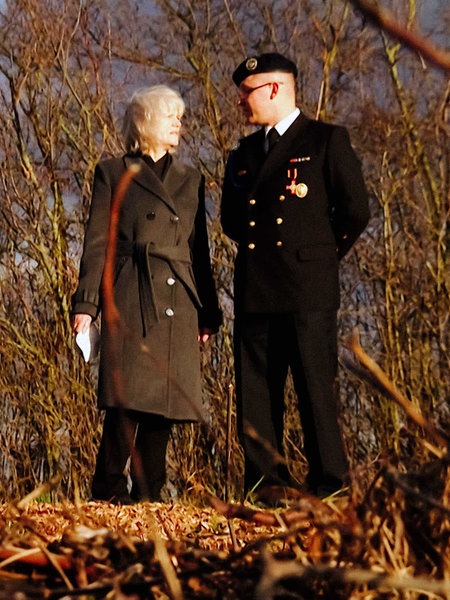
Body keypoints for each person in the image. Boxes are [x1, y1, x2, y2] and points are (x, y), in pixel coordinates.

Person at [221, 53, 370, 499]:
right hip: (255, 287)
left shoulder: (325, 140)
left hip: (308, 289)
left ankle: (331, 484)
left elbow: (356, 210)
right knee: (256, 393)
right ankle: (267, 484)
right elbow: (232, 218)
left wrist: (319, 256)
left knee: (314, 389)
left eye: (246, 93)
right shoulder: (244, 154)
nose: (241, 102)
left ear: (273, 89)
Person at [72, 85, 221, 504]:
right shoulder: (113, 172)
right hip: (131, 293)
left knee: (165, 403)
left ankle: (149, 493)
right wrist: (86, 305)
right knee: (127, 397)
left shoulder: (191, 180)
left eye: (180, 116)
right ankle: (108, 487)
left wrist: (208, 311)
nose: (179, 123)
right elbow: (97, 242)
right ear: (144, 122)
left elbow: (199, 250)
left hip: (179, 299)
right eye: (170, 115)